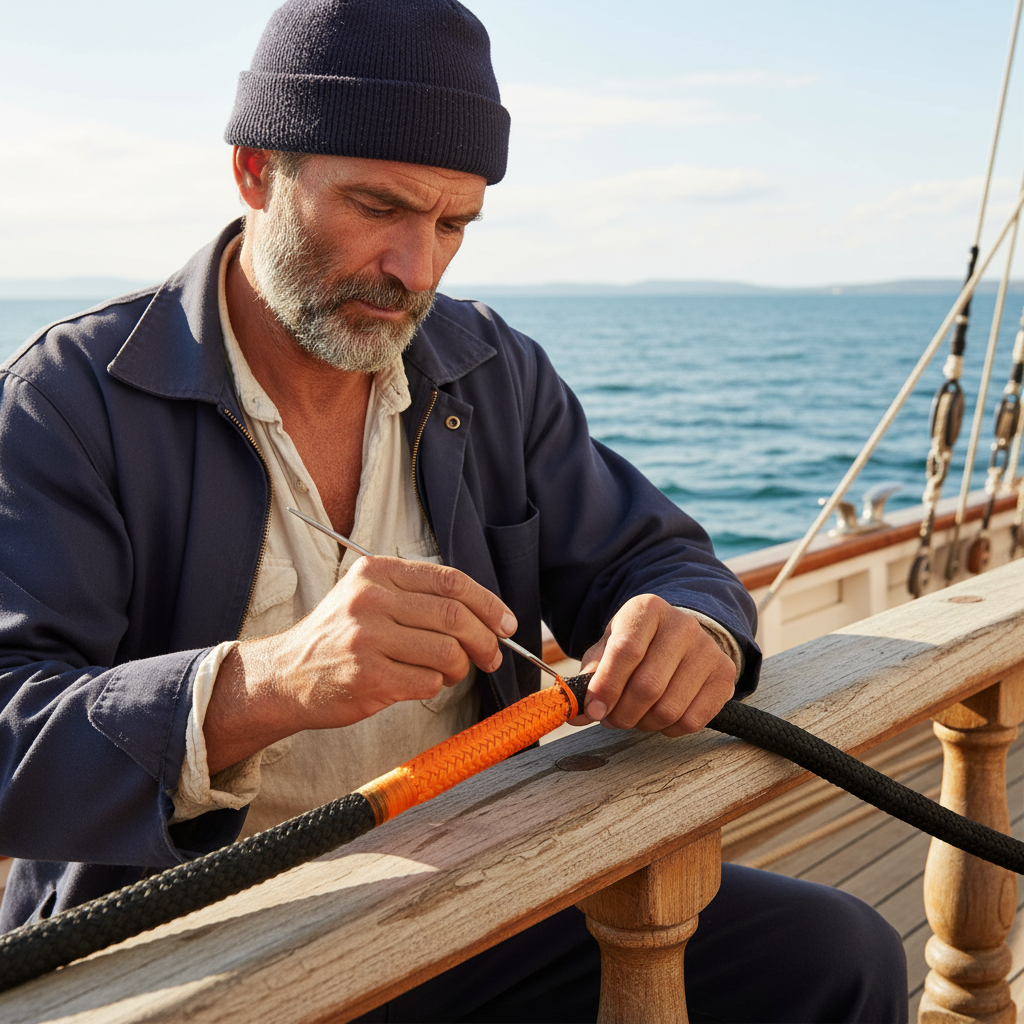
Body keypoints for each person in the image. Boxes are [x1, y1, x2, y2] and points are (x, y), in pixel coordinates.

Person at [0, 1, 907, 1019]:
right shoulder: (68, 398)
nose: (415, 270)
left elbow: (656, 558)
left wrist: (689, 627)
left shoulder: (489, 366)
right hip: (179, 944)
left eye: (452, 224)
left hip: (474, 895)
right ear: (256, 170)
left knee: (838, 953)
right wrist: (258, 686)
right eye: (378, 207)